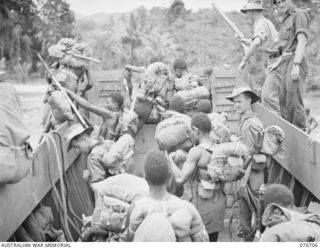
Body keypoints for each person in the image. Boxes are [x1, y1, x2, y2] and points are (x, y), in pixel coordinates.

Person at [167, 113, 226, 242]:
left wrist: (169, 159)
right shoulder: (219, 148)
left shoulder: (196, 151)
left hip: (203, 206)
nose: (189, 135)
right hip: (219, 203)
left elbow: (179, 179)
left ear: (196, 130)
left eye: (190, 131)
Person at [127, 149, 209, 242]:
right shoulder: (187, 208)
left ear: (145, 176)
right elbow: (203, 240)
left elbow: (130, 239)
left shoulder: (136, 208)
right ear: (169, 175)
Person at [226, 83, 265, 241]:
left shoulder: (249, 124)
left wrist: (242, 183)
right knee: (252, 213)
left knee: (249, 214)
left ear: (249, 101)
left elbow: (247, 156)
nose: (236, 105)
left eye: (239, 101)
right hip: (253, 174)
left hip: (250, 176)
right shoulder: (248, 120)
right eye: (234, 102)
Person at [269, 0, 310, 130]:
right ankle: (290, 133)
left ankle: (301, 132)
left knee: (293, 99)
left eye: (282, 0)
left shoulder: (299, 14)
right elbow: (287, 47)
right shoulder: (285, 19)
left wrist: (296, 64)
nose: (279, 4)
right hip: (286, 61)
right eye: (277, 2)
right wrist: (278, 62)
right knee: (284, 100)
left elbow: (301, 41)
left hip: (296, 59)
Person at [239, 0, 281, 116]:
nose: (247, 16)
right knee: (274, 97)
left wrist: (244, 59)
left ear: (251, 12)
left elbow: (257, 42)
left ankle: (278, 128)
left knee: (268, 97)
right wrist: (249, 42)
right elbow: (262, 43)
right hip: (276, 59)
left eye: (247, 13)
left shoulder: (260, 24)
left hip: (277, 62)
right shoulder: (266, 22)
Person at [64, 123, 134, 191]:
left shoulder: (92, 158)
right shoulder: (106, 142)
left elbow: (100, 186)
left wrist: (90, 178)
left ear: (84, 140)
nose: (77, 150)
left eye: (77, 146)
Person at [64, 89, 138, 141]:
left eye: (108, 103)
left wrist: (70, 93)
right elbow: (99, 129)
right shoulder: (119, 115)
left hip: (106, 148)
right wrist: (83, 117)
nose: (105, 105)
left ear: (115, 105)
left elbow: (89, 106)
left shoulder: (110, 114)